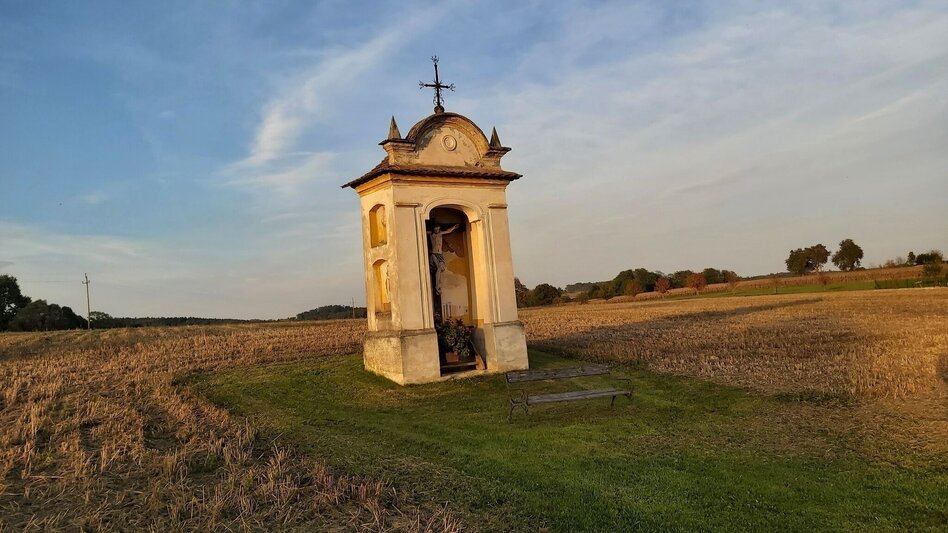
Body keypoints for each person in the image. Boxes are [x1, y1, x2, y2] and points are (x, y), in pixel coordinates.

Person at [428, 223, 459, 294]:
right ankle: (437, 286)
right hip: (434, 254)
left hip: (440, 254)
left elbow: (448, 231)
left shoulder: (440, 233)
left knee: (442, 268)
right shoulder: (431, 234)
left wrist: (454, 227)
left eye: (438, 228)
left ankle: (438, 285)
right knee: (439, 268)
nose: (437, 230)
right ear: (434, 229)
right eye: (436, 229)